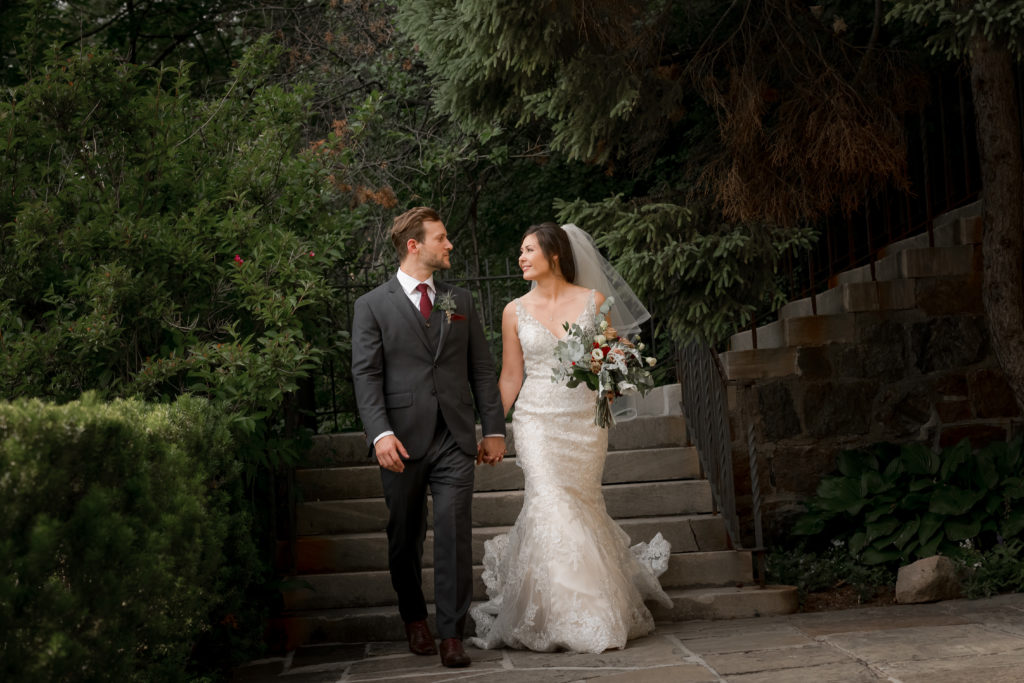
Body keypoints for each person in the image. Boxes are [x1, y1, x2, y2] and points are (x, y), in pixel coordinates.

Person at [468, 222, 672, 654]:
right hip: (537, 419)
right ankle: (571, 613)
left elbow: (610, 361)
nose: (521, 258)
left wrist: (615, 377)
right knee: (550, 503)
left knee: (580, 506)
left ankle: (587, 604)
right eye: (519, 251)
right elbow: (510, 375)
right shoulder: (513, 311)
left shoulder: (594, 302)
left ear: (554, 254)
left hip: (583, 422)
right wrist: (491, 428)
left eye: (527, 250)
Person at [351, 206, 507, 668]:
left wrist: (493, 428)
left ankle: (451, 634)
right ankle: (413, 616)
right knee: (404, 536)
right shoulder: (371, 305)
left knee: (455, 534)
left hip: (454, 439)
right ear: (414, 245)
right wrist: (379, 433)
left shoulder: (459, 300)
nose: (450, 245)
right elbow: (366, 375)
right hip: (400, 440)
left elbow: (481, 368)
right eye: (442, 238)